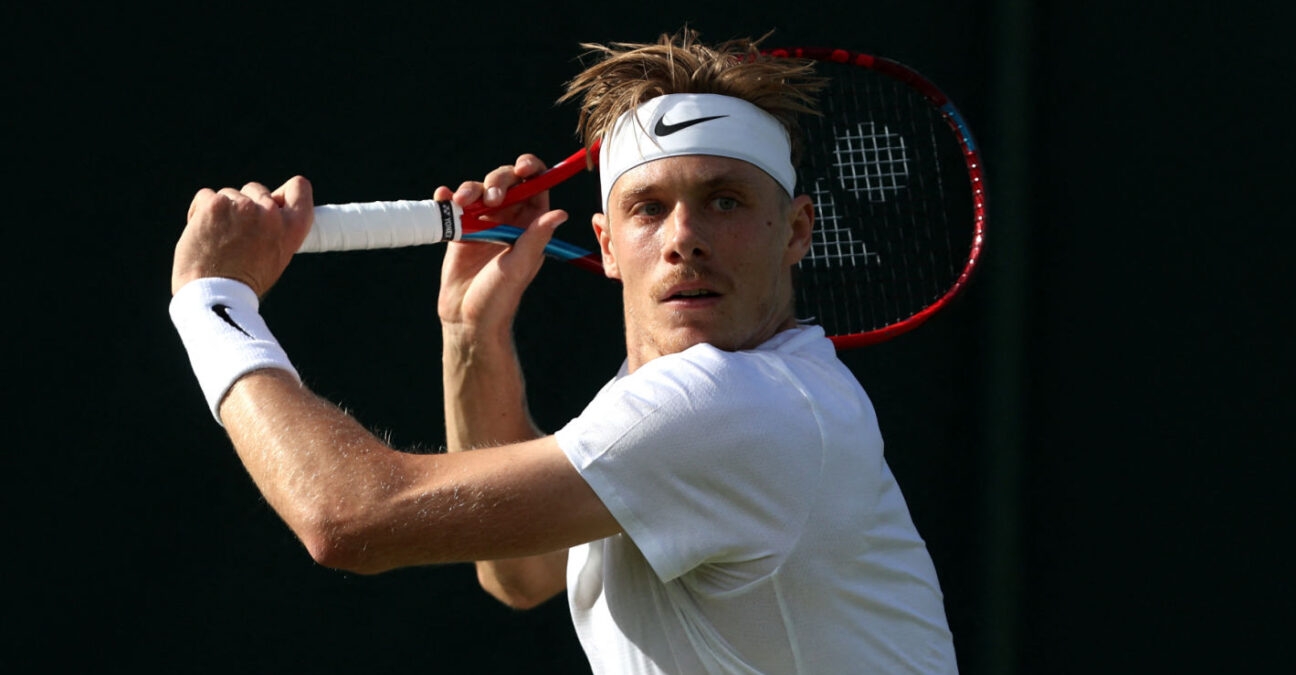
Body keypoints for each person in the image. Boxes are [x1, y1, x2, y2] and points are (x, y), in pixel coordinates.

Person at [170, 29, 958, 674]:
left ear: (795, 231)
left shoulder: (745, 406)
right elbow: (522, 572)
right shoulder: (669, 408)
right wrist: (472, 335)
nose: (684, 238)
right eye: (651, 208)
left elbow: (348, 517)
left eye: (724, 200)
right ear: (609, 245)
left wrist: (212, 300)